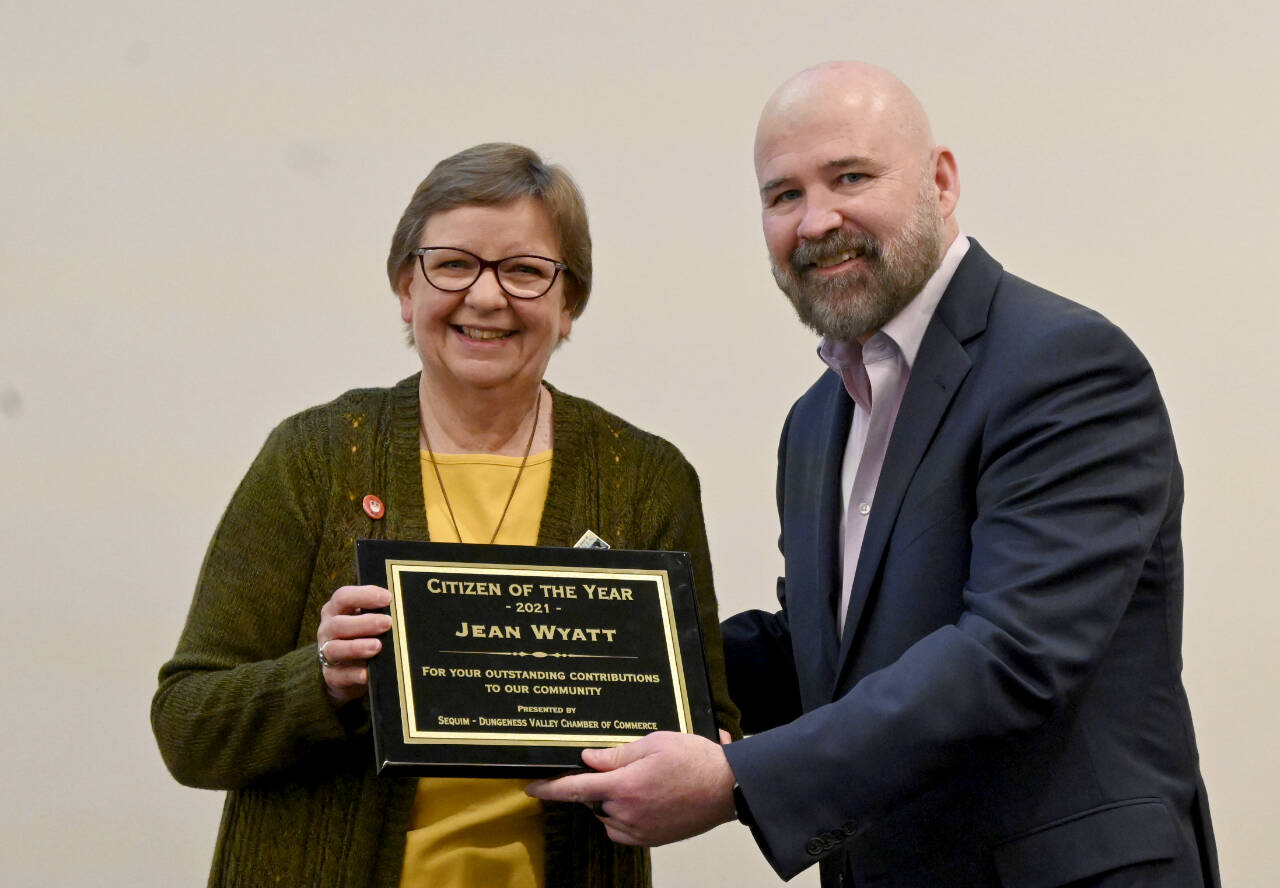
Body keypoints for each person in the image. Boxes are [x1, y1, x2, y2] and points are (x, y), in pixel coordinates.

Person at [527, 63, 1220, 887]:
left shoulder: (1063, 365)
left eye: (850, 176)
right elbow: (822, 656)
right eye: (783, 195)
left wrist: (739, 782)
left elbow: (1009, 655)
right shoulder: (817, 419)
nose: (818, 220)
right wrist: (591, 644)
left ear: (942, 180)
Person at [151, 142, 740, 888]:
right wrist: (323, 680)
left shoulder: (646, 479)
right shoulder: (315, 457)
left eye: (525, 271)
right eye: (454, 264)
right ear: (406, 288)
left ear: (570, 305)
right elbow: (186, 727)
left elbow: (707, 727)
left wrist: (696, 765)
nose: (487, 298)